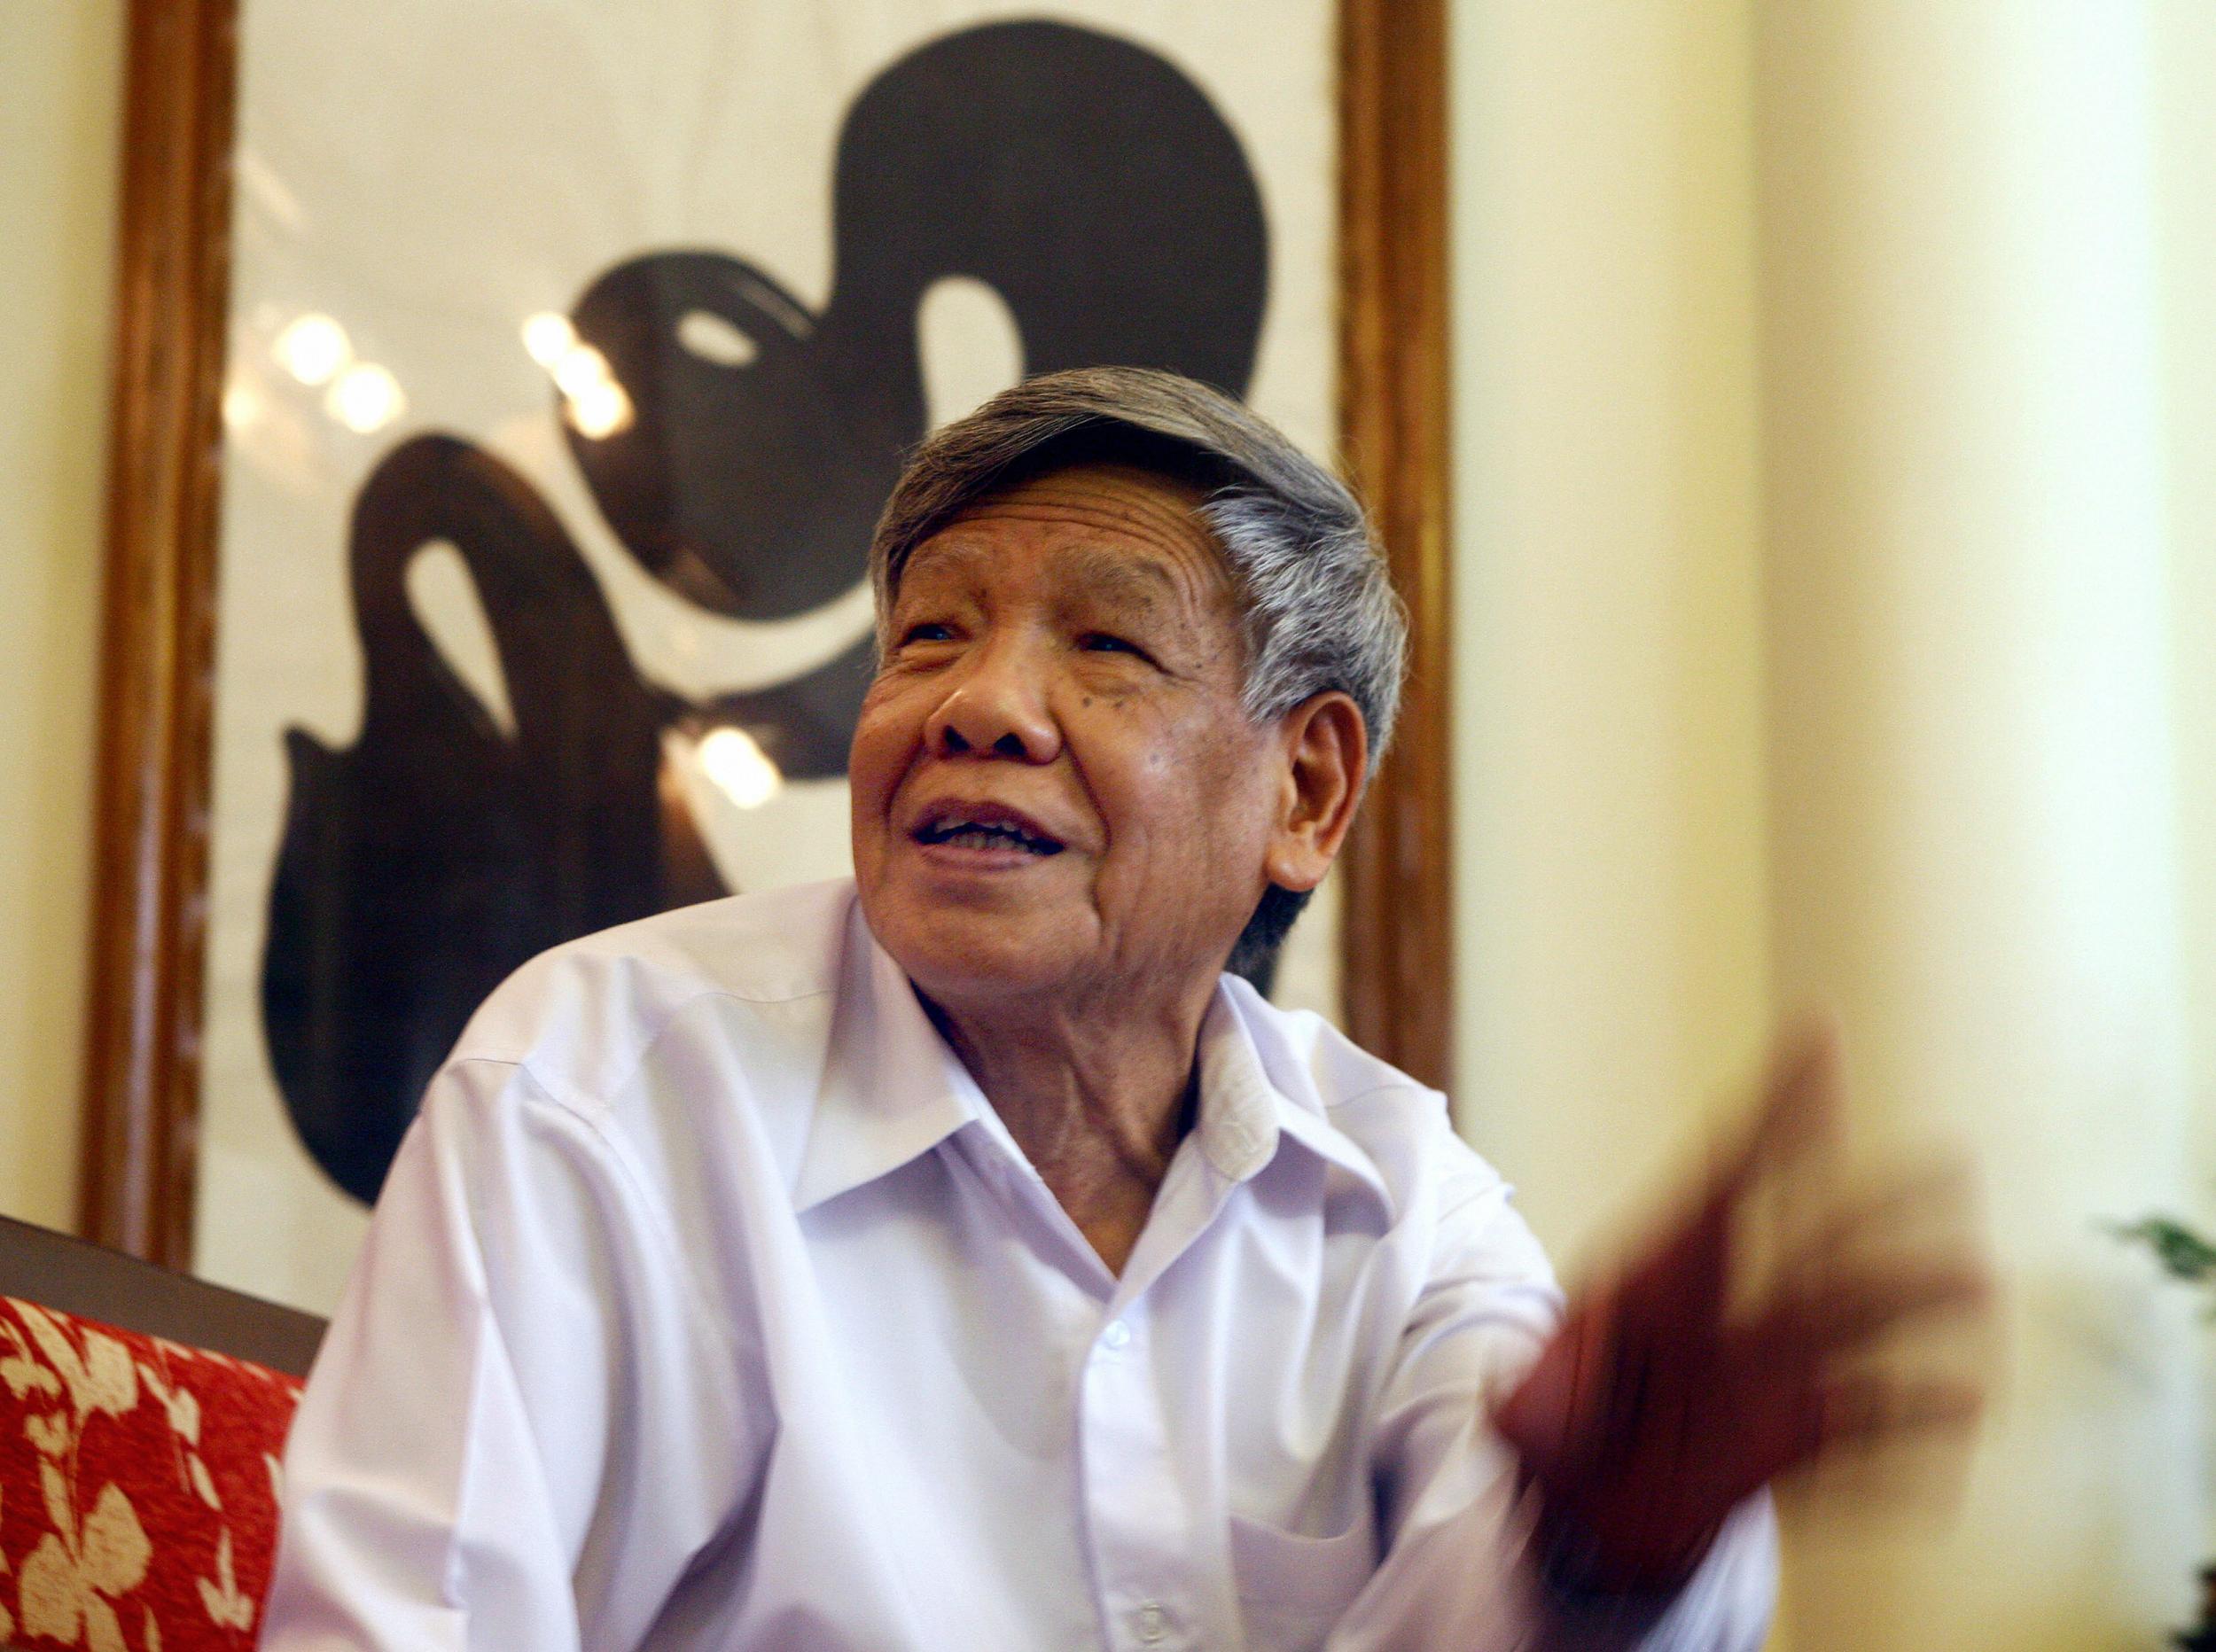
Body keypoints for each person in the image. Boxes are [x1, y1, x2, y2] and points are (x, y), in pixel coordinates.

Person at [260, 367, 1986, 1650]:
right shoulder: (595, 1081)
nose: (980, 703)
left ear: (1304, 789)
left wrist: (1605, 1545)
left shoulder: (1395, 1199)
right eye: (929, 636)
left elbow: (1505, 1588)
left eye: (1105, 647)